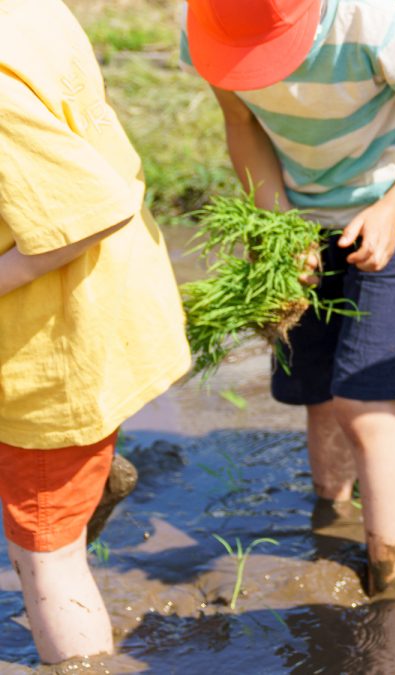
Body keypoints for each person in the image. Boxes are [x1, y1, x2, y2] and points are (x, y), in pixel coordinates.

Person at [182, 0, 395, 594]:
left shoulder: (373, 22)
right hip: (298, 217)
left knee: (364, 401)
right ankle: (331, 514)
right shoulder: (210, 28)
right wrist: (279, 227)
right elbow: (241, 124)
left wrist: (392, 210)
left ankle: (390, 582)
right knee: (318, 389)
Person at [0, 0, 192, 663]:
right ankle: (99, 478)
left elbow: (88, 212)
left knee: (44, 556)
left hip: (53, 348)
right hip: (102, 302)